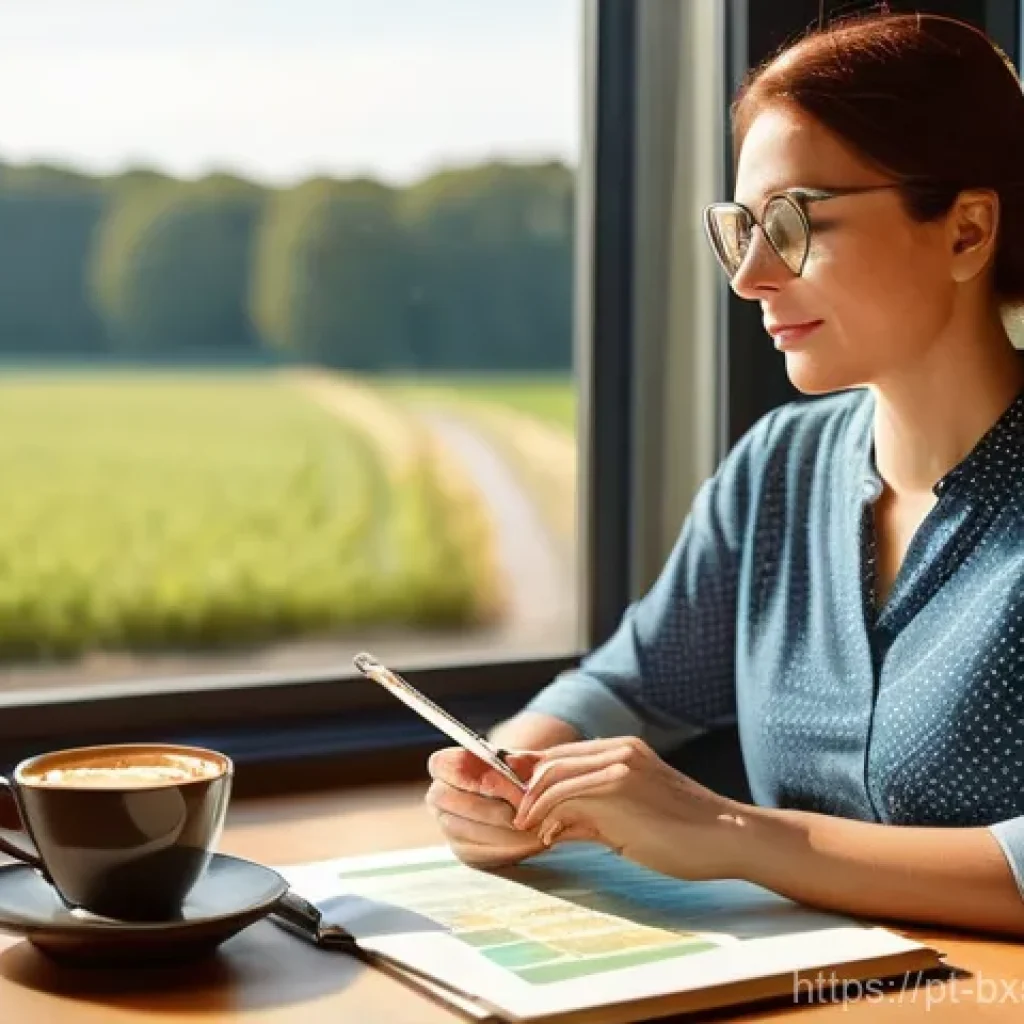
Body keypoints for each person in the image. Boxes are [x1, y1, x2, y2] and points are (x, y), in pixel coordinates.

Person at [427, 11, 1024, 936]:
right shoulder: (777, 469)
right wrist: (509, 770)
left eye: (792, 223)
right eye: (742, 227)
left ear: (966, 231)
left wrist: (730, 832)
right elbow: (628, 686)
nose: (748, 275)